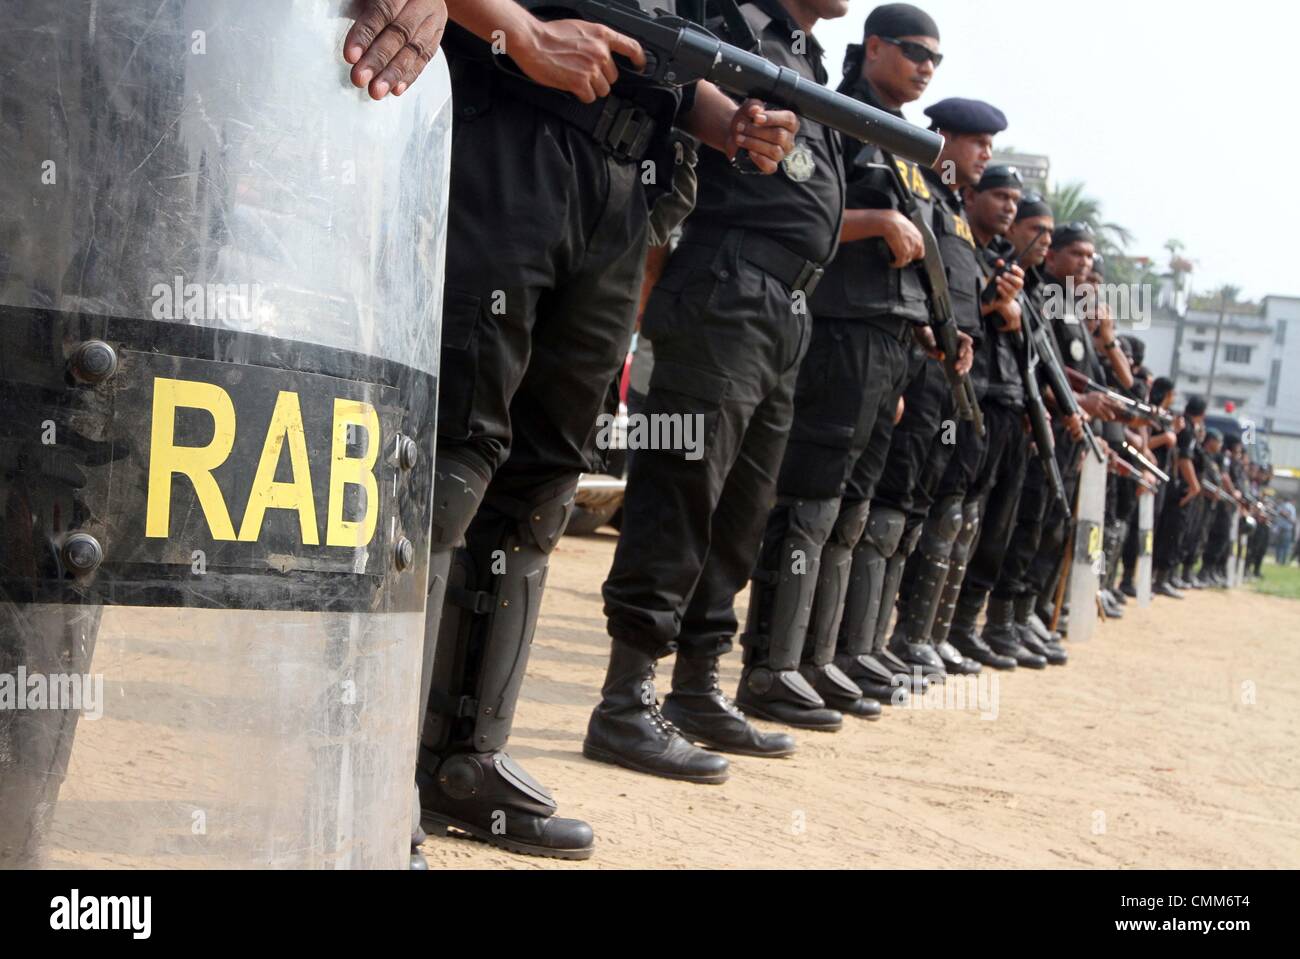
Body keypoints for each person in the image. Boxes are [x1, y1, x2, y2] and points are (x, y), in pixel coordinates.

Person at [415, 0, 801, 859]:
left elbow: (666, 69)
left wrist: (732, 119)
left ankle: (465, 762)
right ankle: (372, 764)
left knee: (543, 481)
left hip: (625, 184)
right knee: (449, 458)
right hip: (507, 136)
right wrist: (525, 29)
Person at [587, 0, 850, 784]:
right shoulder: (729, 22)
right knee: (681, 493)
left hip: (784, 305)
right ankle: (625, 700)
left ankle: (697, 686)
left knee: (741, 509)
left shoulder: (808, 58)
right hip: (723, 284)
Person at [734, 1, 947, 731]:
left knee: (851, 508)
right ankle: (772, 665)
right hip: (838, 327)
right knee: (811, 497)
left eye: (936, 61)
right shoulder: (837, 109)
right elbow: (802, 204)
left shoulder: (902, 142)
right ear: (875, 48)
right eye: (916, 52)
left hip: (889, 343)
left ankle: (817, 656)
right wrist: (878, 223)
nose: (925, 68)